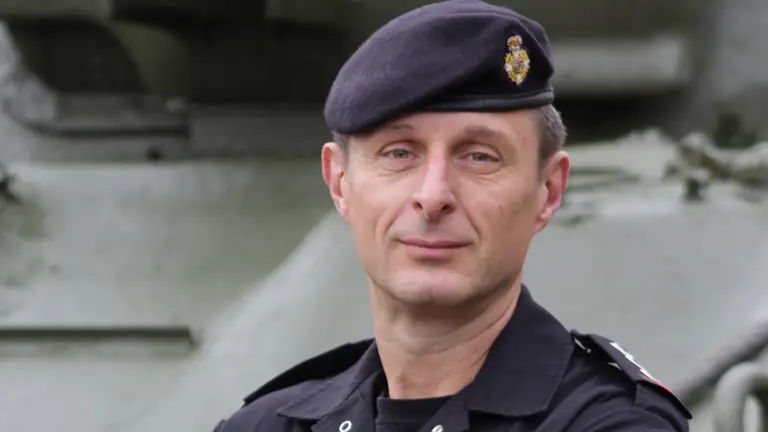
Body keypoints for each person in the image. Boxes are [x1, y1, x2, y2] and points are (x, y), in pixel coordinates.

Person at [213, 0, 692, 430]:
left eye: (479, 156)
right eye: (399, 153)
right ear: (340, 183)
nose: (433, 194)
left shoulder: (611, 424)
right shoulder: (267, 425)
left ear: (548, 191)